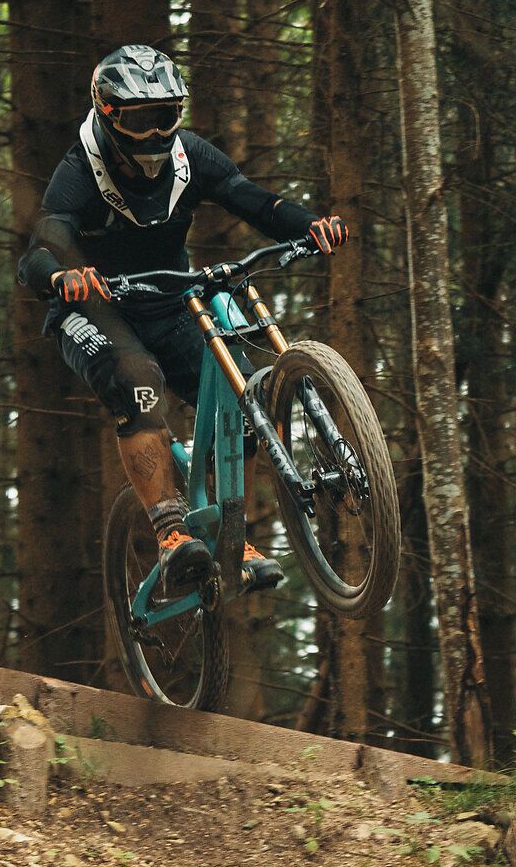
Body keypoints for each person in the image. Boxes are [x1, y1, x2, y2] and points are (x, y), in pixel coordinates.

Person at [17, 43, 347, 599]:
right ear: (109, 113)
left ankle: (229, 534)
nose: (154, 135)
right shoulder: (80, 170)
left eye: (165, 116)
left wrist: (309, 225)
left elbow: (254, 201)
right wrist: (60, 278)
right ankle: (170, 533)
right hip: (94, 312)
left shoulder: (190, 158)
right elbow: (41, 247)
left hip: (169, 306)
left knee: (248, 401)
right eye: (141, 120)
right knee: (138, 381)